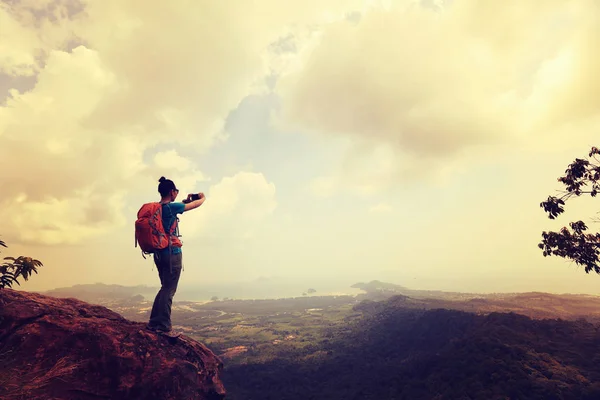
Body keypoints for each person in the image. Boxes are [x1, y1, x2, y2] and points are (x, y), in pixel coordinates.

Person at [146, 176, 205, 338]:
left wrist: (184, 201)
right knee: (169, 289)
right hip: (172, 254)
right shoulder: (172, 207)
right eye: (176, 192)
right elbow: (196, 204)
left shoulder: (158, 208)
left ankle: (154, 322)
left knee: (164, 287)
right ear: (172, 192)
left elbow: (182, 205)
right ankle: (163, 326)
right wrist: (202, 197)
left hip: (158, 254)